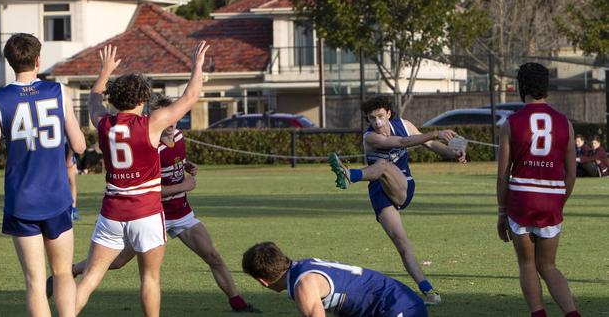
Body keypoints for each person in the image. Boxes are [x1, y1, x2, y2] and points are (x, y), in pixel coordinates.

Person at [65, 94, 260, 313]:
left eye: (173, 119)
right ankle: (73, 270)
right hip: (149, 216)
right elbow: (147, 190)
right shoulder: (150, 144)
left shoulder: (178, 136)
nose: (170, 124)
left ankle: (238, 304)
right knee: (118, 262)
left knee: (212, 255)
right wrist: (183, 186)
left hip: (181, 212)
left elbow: (173, 163)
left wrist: (185, 167)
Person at [75, 42, 209, 316]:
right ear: (142, 100)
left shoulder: (103, 123)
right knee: (150, 279)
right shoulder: (151, 123)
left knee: (89, 277)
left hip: (111, 212)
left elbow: (93, 99)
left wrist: (105, 71)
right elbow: (191, 95)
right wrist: (196, 65)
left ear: (114, 99)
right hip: (146, 212)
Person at [0, 33, 86, 317]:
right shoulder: (58, 91)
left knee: (35, 283)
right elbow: (79, 145)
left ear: (10, 62)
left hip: (21, 201)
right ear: (38, 60)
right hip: (57, 196)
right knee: (63, 272)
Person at [329, 95, 466, 305]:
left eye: (381, 116)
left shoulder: (404, 125)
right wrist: (437, 132)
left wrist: (453, 152)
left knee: (384, 165)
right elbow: (404, 142)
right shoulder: (370, 138)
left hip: (403, 187)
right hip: (379, 193)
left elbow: (429, 144)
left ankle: (351, 176)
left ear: (389, 113)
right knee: (402, 244)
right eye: (372, 118)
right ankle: (429, 291)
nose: (377, 123)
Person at [496, 62, 581, 317]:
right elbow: (571, 173)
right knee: (548, 265)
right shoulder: (565, 123)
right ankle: (572, 313)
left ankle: (538, 313)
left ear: (522, 88)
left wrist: (502, 212)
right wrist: (559, 202)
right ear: (547, 88)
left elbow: (503, 174)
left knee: (527, 264)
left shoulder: (511, 123)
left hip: (521, 200)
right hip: (551, 200)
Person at [242, 241, 427, 317]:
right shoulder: (302, 267)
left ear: (262, 281)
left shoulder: (303, 285)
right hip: (400, 303)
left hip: (399, 308)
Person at [65, 145, 80, 220]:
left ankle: (73, 210)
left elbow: (71, 143)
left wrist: (69, 158)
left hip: (67, 153)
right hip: (55, 155)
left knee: (71, 182)